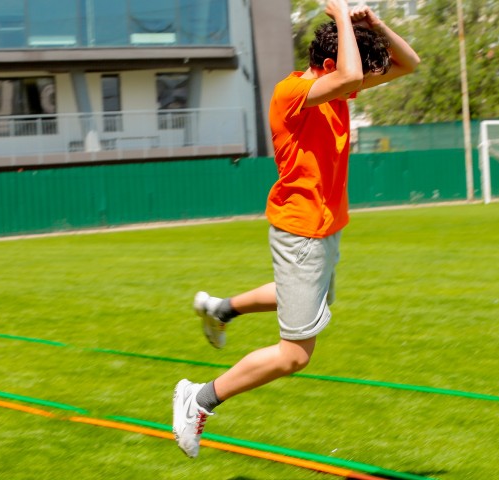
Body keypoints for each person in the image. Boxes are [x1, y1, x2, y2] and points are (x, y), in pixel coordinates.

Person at [172, 0, 420, 458]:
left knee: (312, 300)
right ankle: (198, 398)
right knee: (295, 354)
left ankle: (221, 309)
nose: (360, 84)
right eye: (353, 72)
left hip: (324, 229)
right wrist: (343, 16)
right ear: (329, 64)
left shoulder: (335, 87)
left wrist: (373, 23)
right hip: (302, 231)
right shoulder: (294, 93)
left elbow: (409, 63)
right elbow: (347, 75)